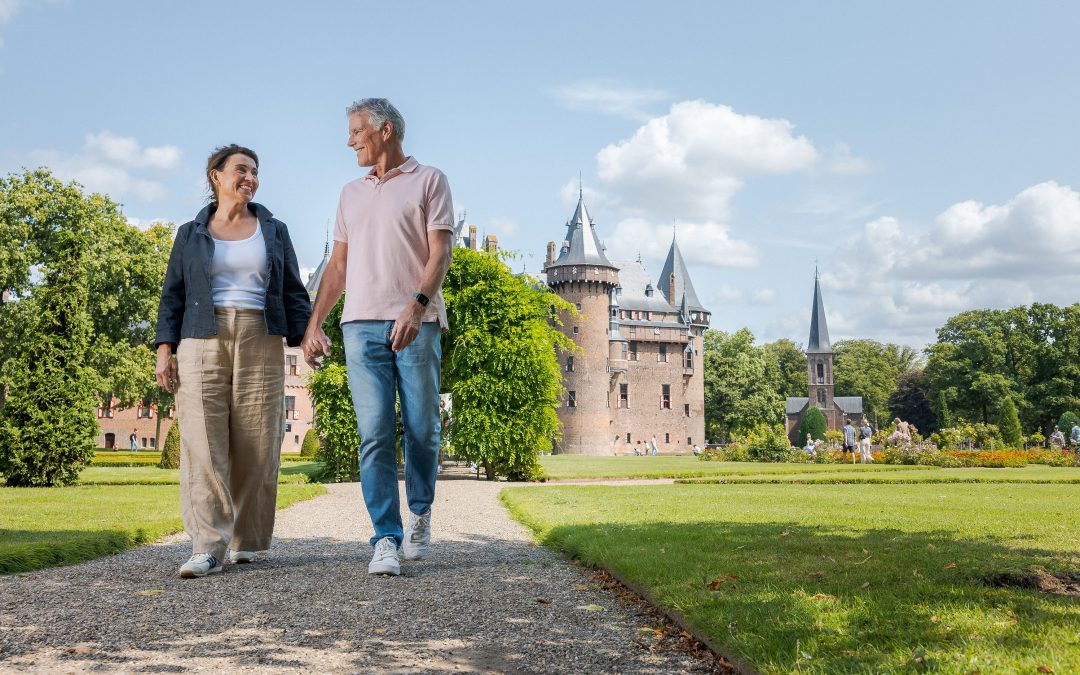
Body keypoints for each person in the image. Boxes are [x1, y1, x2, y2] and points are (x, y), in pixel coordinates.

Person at [302, 99, 454, 577]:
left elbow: (441, 252)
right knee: (375, 434)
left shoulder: (430, 180)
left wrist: (417, 305)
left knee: (423, 428)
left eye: (356, 131)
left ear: (384, 130)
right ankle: (385, 538)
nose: (349, 141)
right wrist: (314, 324)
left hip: (416, 321)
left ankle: (420, 511)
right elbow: (338, 265)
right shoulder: (349, 193)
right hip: (360, 325)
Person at [155, 145, 312, 579]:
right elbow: (172, 295)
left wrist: (308, 339)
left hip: (261, 333)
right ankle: (207, 546)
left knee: (258, 441)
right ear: (216, 176)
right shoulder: (190, 233)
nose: (250, 177)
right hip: (200, 334)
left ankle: (246, 539)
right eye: (241, 169)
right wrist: (164, 350)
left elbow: (294, 291)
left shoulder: (274, 230)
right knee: (203, 441)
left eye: (255, 171)